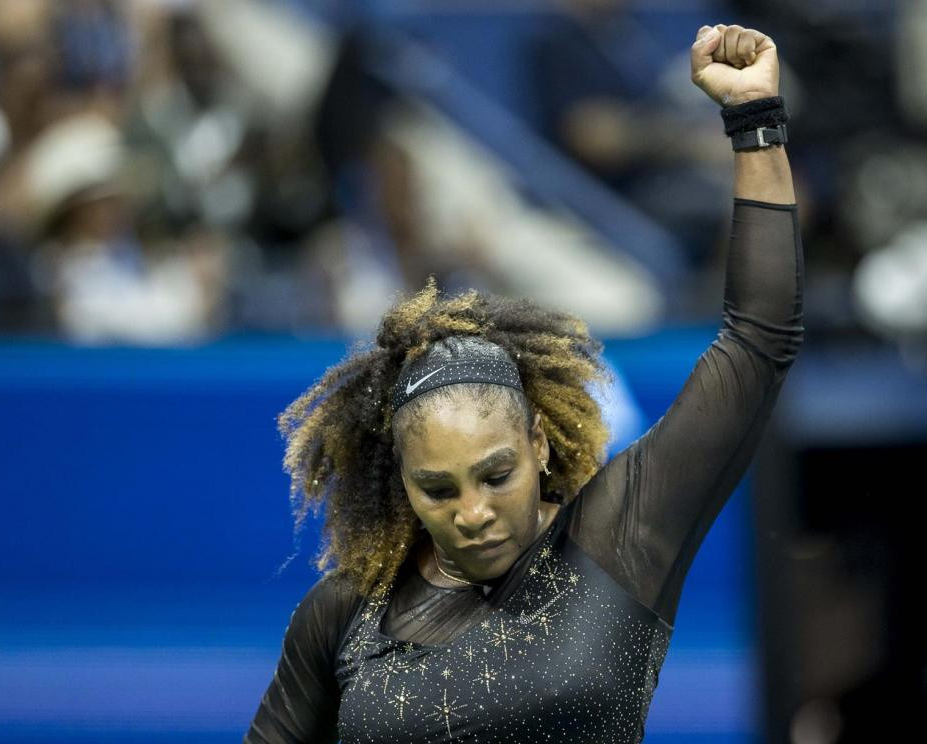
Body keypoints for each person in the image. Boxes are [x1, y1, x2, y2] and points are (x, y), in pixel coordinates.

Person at [245, 23, 801, 743]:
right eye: (438, 489)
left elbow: (759, 338)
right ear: (402, 481)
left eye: (495, 474)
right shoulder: (343, 612)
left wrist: (754, 120)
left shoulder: (618, 536)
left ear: (538, 444)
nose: (472, 511)